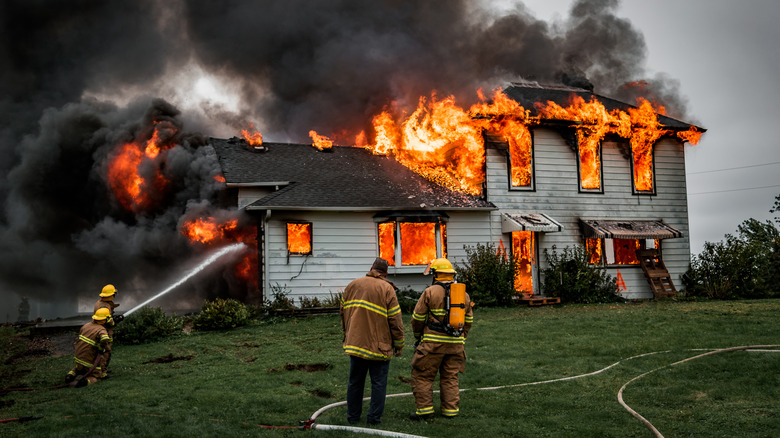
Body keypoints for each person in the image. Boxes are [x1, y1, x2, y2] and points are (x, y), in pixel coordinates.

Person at [340, 257, 405, 426]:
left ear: (371, 268)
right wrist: (399, 344)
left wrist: (348, 335)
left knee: (355, 382)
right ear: (385, 273)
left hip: (356, 344)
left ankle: (352, 418)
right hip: (379, 347)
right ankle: (374, 419)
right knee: (378, 384)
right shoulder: (387, 289)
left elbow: (343, 313)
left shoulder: (352, 285)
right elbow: (395, 320)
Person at [409, 258, 473, 420]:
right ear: (451, 275)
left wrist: (418, 336)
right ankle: (450, 411)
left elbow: (417, 318)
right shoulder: (463, 294)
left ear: (435, 274)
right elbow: (469, 320)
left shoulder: (430, 292)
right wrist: (462, 337)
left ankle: (425, 411)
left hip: (432, 344)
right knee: (450, 377)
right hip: (456, 344)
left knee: (423, 375)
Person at [65, 308, 113, 387]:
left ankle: (70, 376)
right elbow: (105, 338)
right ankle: (84, 382)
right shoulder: (101, 329)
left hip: (78, 359)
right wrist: (101, 347)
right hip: (89, 362)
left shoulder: (86, 325)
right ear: (105, 319)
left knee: (78, 369)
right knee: (97, 376)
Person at [94, 284, 122, 377]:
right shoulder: (105, 307)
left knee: (104, 351)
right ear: (111, 296)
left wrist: (112, 317)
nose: (114, 296)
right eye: (114, 294)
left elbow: (104, 317)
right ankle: (103, 372)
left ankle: (103, 369)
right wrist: (116, 320)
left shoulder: (100, 303)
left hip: (100, 329)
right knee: (106, 351)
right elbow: (108, 322)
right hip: (104, 331)